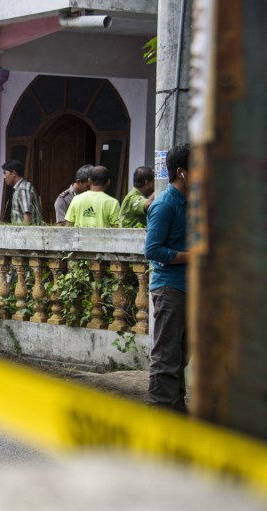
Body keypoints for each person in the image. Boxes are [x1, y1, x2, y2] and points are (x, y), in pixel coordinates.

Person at [144, 144, 189, 413]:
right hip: (170, 287)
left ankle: (176, 408)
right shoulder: (164, 205)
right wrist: (193, 255)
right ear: (182, 172)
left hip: (190, 288)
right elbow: (153, 250)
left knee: (182, 354)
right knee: (166, 355)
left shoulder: (193, 201)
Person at [2, 160, 41, 225]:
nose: (4, 177)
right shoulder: (19, 188)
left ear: (13, 173)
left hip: (27, 233)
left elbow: (27, 214)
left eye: (5, 173)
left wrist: (24, 234)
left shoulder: (23, 188)